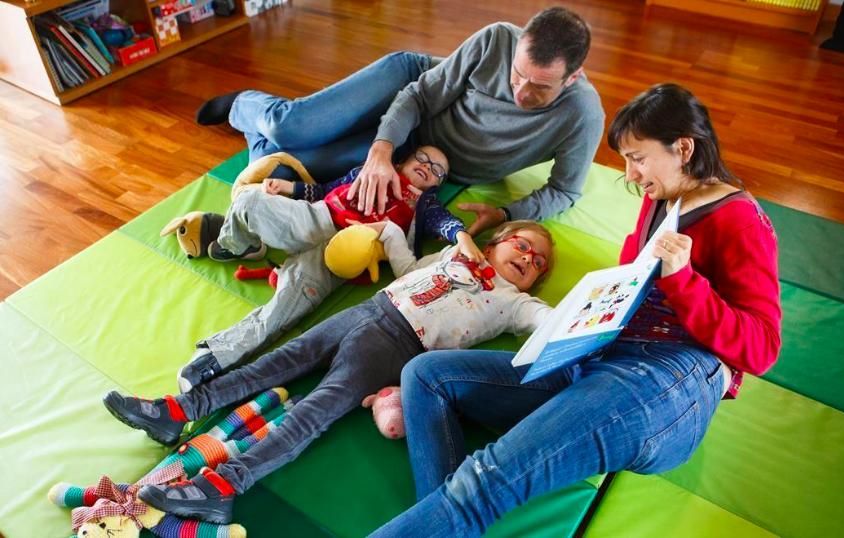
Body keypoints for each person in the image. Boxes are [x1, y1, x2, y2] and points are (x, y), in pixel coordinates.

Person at [369, 83, 783, 537]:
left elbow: (762, 349)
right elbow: (629, 280)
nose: (629, 173)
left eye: (638, 158)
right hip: (600, 357)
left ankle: (454, 513)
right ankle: (448, 520)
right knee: (425, 376)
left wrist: (684, 279)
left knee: (484, 479)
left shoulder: (741, 219)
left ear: (683, 147)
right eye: (625, 159)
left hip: (666, 379)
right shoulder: (661, 195)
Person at [103, 218, 555, 524]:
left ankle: (225, 484)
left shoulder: (515, 303)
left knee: (316, 408)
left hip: (398, 345)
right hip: (371, 308)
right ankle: (181, 410)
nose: (529, 259)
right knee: (281, 360)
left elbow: (549, 322)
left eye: (539, 264)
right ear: (495, 242)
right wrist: (395, 231)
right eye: (523, 246)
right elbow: (407, 267)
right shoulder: (453, 257)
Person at [195, 6, 604, 237]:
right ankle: (246, 105)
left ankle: (258, 135)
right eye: (517, 74)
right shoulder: (496, 38)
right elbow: (421, 95)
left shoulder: (581, 115)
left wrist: (506, 213)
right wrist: (380, 150)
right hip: (409, 86)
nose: (520, 92)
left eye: (539, 87)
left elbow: (564, 191)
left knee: (285, 175)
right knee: (291, 127)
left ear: (573, 77)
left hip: (421, 155)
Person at [178, 145, 482, 392]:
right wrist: (287, 186)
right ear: (403, 159)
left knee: (279, 314)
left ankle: (213, 357)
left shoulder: (424, 205)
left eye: (437, 171)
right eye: (423, 158)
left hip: (338, 257)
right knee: (249, 200)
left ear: (436, 185)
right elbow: (324, 189)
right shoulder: (368, 171)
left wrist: (461, 236)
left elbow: (445, 222)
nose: (427, 167)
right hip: (315, 218)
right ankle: (240, 244)